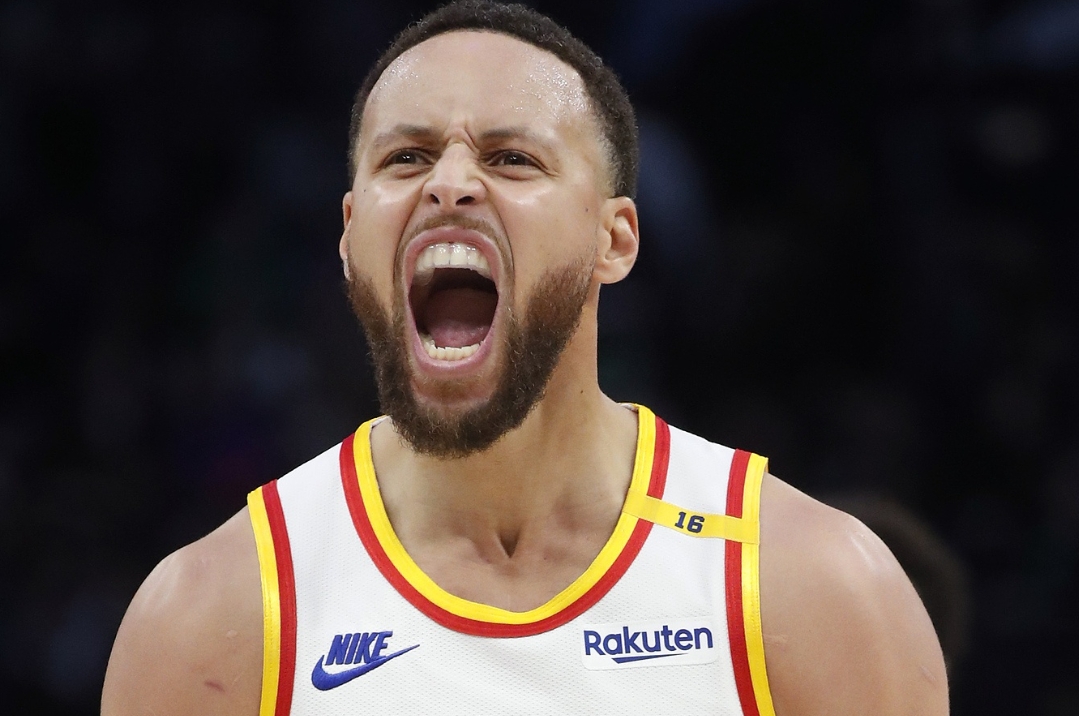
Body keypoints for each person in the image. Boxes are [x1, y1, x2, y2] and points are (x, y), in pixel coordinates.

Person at [101, 2, 949, 714]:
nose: (449, 184)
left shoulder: (813, 589)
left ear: (614, 240)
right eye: (406, 158)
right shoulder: (214, 617)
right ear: (350, 235)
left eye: (512, 158)